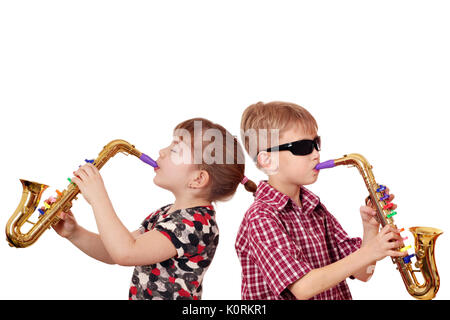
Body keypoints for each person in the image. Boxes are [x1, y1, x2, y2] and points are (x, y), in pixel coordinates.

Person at [53, 117, 251, 300]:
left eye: (175, 150)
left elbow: (125, 253)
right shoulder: (167, 213)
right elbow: (113, 250)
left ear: (198, 179)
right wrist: (75, 233)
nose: (162, 152)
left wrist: (99, 198)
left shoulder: (196, 225)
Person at [235, 101, 407, 300]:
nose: (316, 154)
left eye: (317, 143)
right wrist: (370, 250)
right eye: (303, 147)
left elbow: (362, 274)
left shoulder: (315, 209)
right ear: (267, 160)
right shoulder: (261, 217)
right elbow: (303, 287)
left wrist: (370, 229)